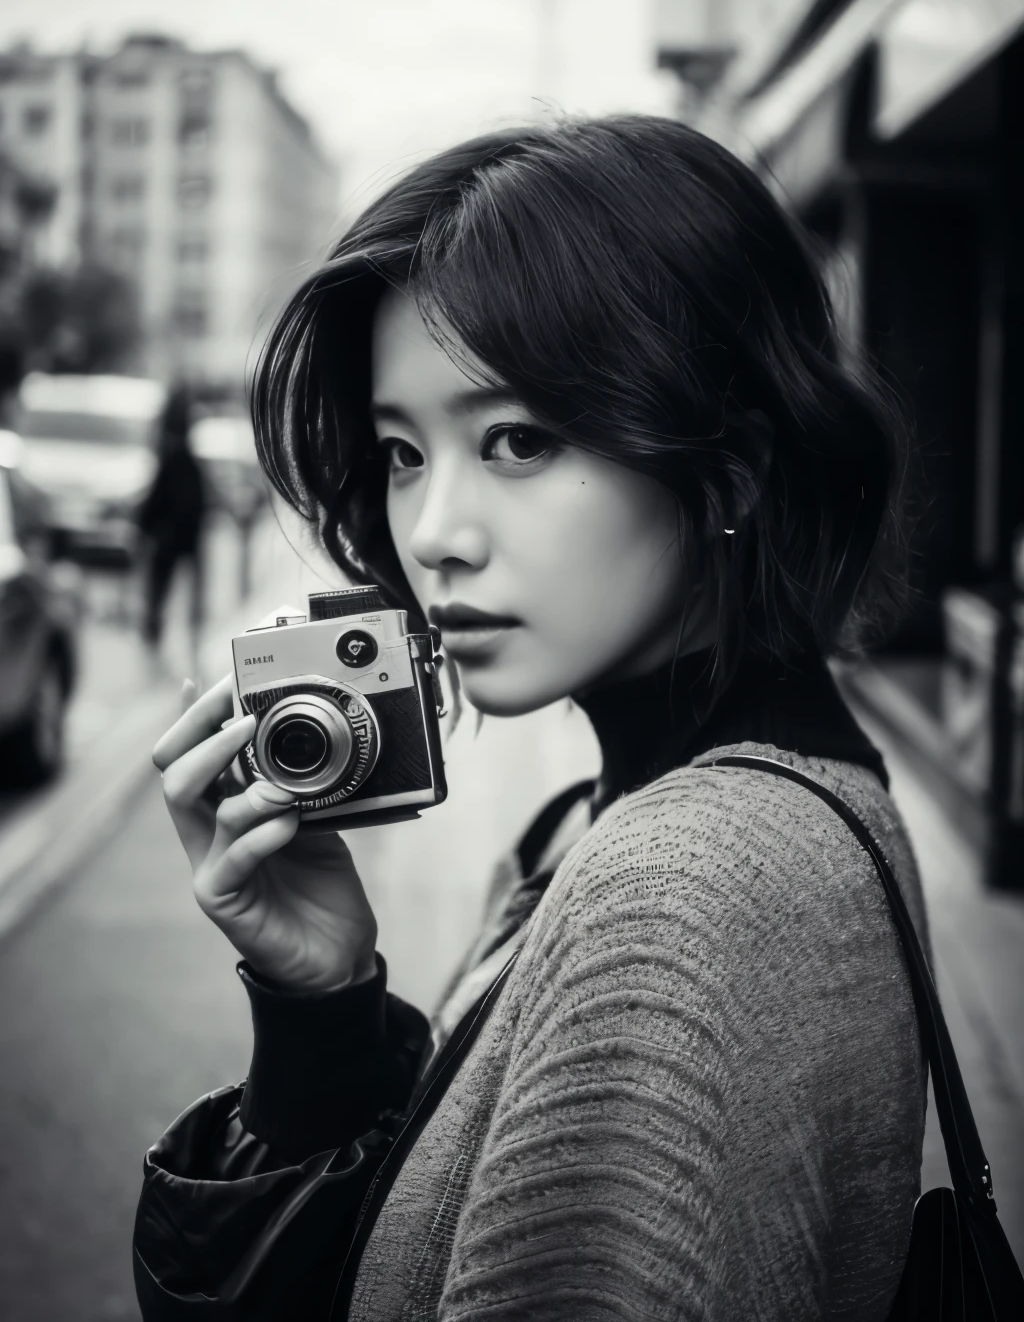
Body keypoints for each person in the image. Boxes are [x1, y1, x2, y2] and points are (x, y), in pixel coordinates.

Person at [135, 117, 928, 1320]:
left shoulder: (678, 886)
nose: (434, 532)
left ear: (733, 467)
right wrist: (326, 1011)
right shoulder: (669, 811)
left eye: (516, 439)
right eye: (402, 452)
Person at [137, 384, 206, 652]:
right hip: (178, 530)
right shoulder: (182, 460)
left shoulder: (176, 458)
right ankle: (166, 625)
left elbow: (163, 496)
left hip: (171, 531)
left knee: (161, 583)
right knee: (166, 583)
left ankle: (160, 625)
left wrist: (146, 525)